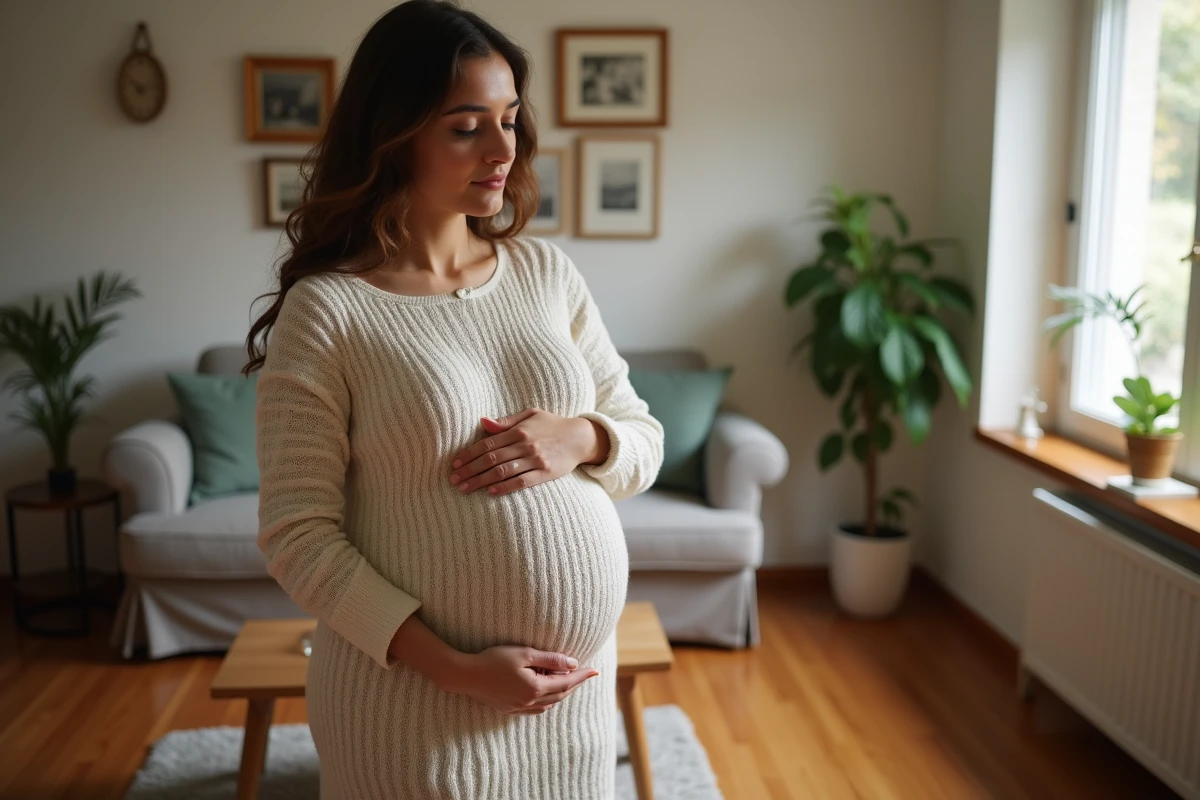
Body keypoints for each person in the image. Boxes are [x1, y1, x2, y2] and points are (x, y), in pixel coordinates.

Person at [242, 1, 665, 797]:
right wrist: (459, 669)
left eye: (508, 119)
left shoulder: (545, 274)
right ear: (392, 135)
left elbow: (642, 436)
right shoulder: (329, 310)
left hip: (571, 706)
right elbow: (296, 536)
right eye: (467, 127)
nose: (505, 149)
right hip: (414, 710)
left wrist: (583, 437)